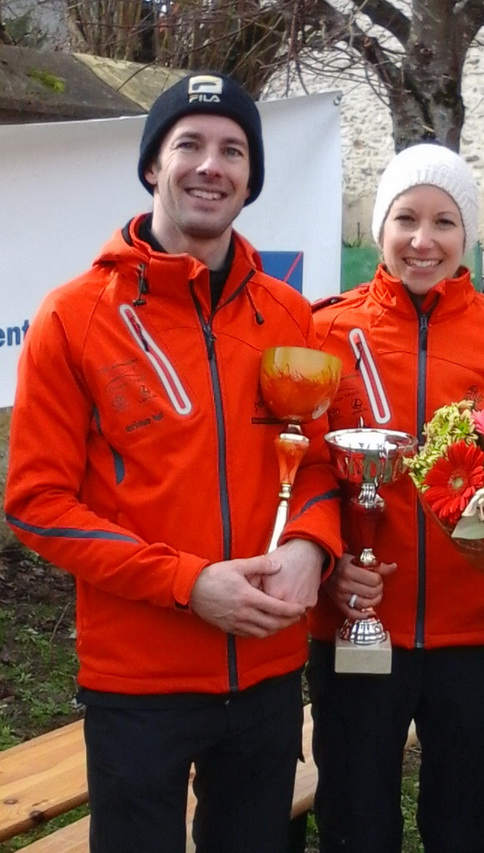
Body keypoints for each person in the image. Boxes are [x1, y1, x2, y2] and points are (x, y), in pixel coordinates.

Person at [4, 72, 342, 853]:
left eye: (232, 149)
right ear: (153, 165)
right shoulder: (73, 316)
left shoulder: (286, 312)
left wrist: (310, 546)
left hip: (264, 670)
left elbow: (318, 461)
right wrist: (189, 583)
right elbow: (36, 501)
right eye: (187, 143)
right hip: (139, 680)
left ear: (251, 178)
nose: (209, 165)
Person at [307, 143, 484, 853]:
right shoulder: (325, 332)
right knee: (356, 825)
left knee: (465, 826)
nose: (422, 240)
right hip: (359, 631)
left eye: (444, 221)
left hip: (478, 636)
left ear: (467, 235)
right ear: (378, 228)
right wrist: (329, 569)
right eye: (405, 218)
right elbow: (302, 475)